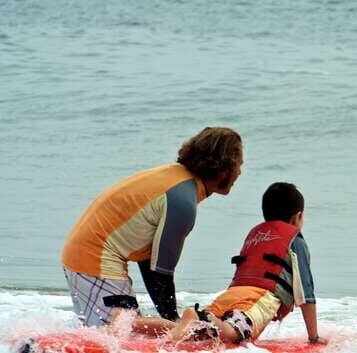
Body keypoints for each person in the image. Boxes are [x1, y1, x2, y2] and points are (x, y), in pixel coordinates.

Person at [60, 127, 243, 329]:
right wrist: (176, 323)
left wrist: (170, 319)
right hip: (94, 258)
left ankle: (41, 344)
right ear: (223, 168)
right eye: (239, 165)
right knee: (119, 336)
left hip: (86, 254)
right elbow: (161, 272)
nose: (240, 172)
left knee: (117, 332)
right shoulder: (183, 202)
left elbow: (151, 264)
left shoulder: (176, 178)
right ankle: (34, 345)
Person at [135, 182, 327, 345]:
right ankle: (195, 315)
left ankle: (133, 323)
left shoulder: (255, 235)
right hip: (258, 299)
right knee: (233, 333)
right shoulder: (296, 242)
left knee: (196, 332)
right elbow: (306, 293)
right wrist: (313, 337)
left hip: (230, 295)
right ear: (297, 216)